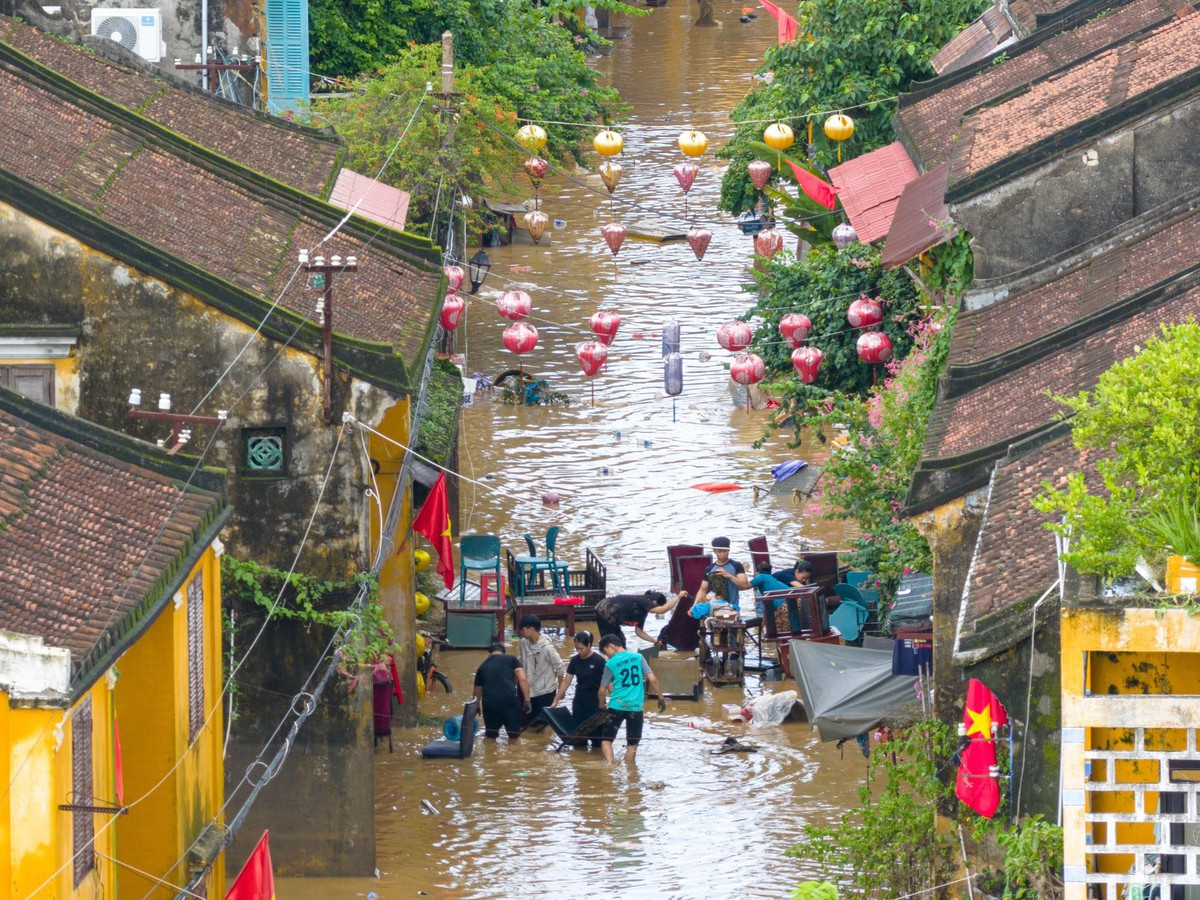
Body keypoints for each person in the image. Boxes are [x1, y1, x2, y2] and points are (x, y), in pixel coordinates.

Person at [598, 633, 665, 765]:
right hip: (636, 708)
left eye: (606, 652)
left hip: (616, 707)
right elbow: (653, 679)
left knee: (606, 741)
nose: (607, 656)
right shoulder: (638, 657)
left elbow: (602, 690)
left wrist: (601, 704)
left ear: (611, 646)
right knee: (632, 746)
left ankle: (610, 769)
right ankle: (631, 776)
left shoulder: (610, 664)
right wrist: (661, 698)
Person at [551, 631, 607, 748]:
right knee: (579, 741)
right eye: (577, 649)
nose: (579, 651)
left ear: (589, 645)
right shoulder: (575, 660)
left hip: (595, 703)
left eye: (581, 648)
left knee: (598, 742)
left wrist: (616, 700)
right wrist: (556, 699)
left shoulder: (599, 661)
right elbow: (567, 681)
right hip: (579, 702)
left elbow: (608, 683)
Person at [472, 642, 531, 742]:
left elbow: (477, 689)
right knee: (514, 737)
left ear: (489, 654)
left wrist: (477, 705)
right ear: (503, 652)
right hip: (509, 700)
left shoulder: (483, 666)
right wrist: (527, 699)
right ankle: (514, 756)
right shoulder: (512, 659)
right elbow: (523, 679)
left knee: (490, 736)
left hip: (490, 702)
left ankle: (489, 756)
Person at [517, 614, 567, 727]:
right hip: (526, 690)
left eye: (523, 630)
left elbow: (560, 667)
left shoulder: (547, 648)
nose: (521, 633)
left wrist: (560, 691)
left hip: (544, 692)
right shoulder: (523, 642)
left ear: (531, 629)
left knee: (543, 725)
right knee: (523, 724)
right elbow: (521, 661)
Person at [690, 536, 750, 620]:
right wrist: (693, 606)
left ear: (728, 550)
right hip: (715, 607)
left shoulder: (736, 565)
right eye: (719, 551)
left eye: (725, 551)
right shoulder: (709, 569)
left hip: (732, 607)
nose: (722, 554)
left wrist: (728, 575)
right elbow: (702, 590)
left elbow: (745, 585)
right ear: (714, 551)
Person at [594, 590, 685, 646]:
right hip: (605, 610)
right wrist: (678, 597)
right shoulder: (645, 601)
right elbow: (662, 610)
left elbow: (639, 632)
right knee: (612, 643)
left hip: (612, 616)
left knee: (621, 642)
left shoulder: (642, 612)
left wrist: (654, 641)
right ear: (654, 603)